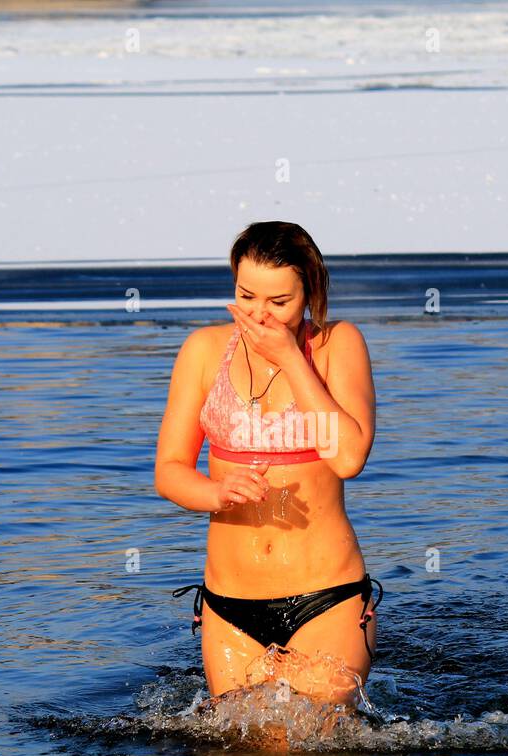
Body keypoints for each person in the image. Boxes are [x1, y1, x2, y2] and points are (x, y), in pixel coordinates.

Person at [155, 221, 382, 708]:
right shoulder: (202, 350)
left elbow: (347, 458)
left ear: (309, 293)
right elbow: (169, 470)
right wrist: (214, 493)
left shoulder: (338, 345)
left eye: (279, 303)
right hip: (229, 605)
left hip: (328, 597)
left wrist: (291, 358)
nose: (259, 314)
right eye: (247, 295)